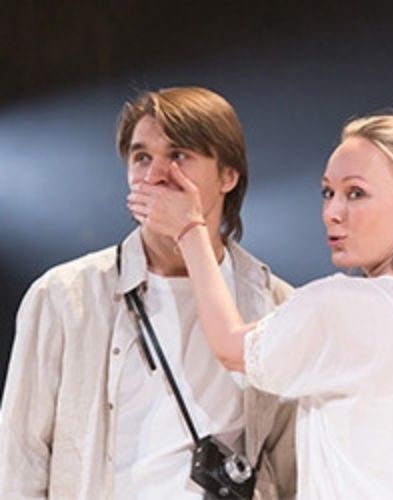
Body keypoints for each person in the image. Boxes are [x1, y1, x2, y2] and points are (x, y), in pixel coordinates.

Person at [128, 112, 393, 499]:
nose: (332, 212)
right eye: (327, 192)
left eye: (356, 193)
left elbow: (231, 348)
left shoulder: (342, 306)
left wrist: (189, 230)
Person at [0, 87, 297, 499]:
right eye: (141, 157)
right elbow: (20, 459)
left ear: (227, 176)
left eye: (179, 155)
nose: (155, 175)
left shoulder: (277, 306)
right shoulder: (65, 296)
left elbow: (290, 467)